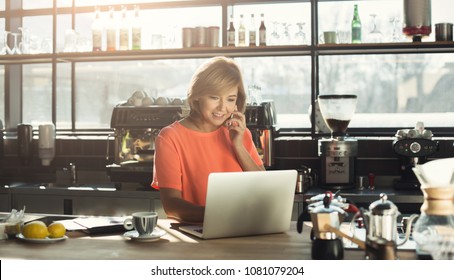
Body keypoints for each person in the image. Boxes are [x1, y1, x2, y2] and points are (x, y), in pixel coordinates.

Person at [151, 56, 265, 223]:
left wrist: (238, 146)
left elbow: (265, 187)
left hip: (245, 228)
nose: (223, 107)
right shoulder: (170, 137)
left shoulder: (240, 133)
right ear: (197, 95)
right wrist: (221, 215)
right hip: (199, 233)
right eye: (214, 97)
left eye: (230, 99)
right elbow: (172, 206)